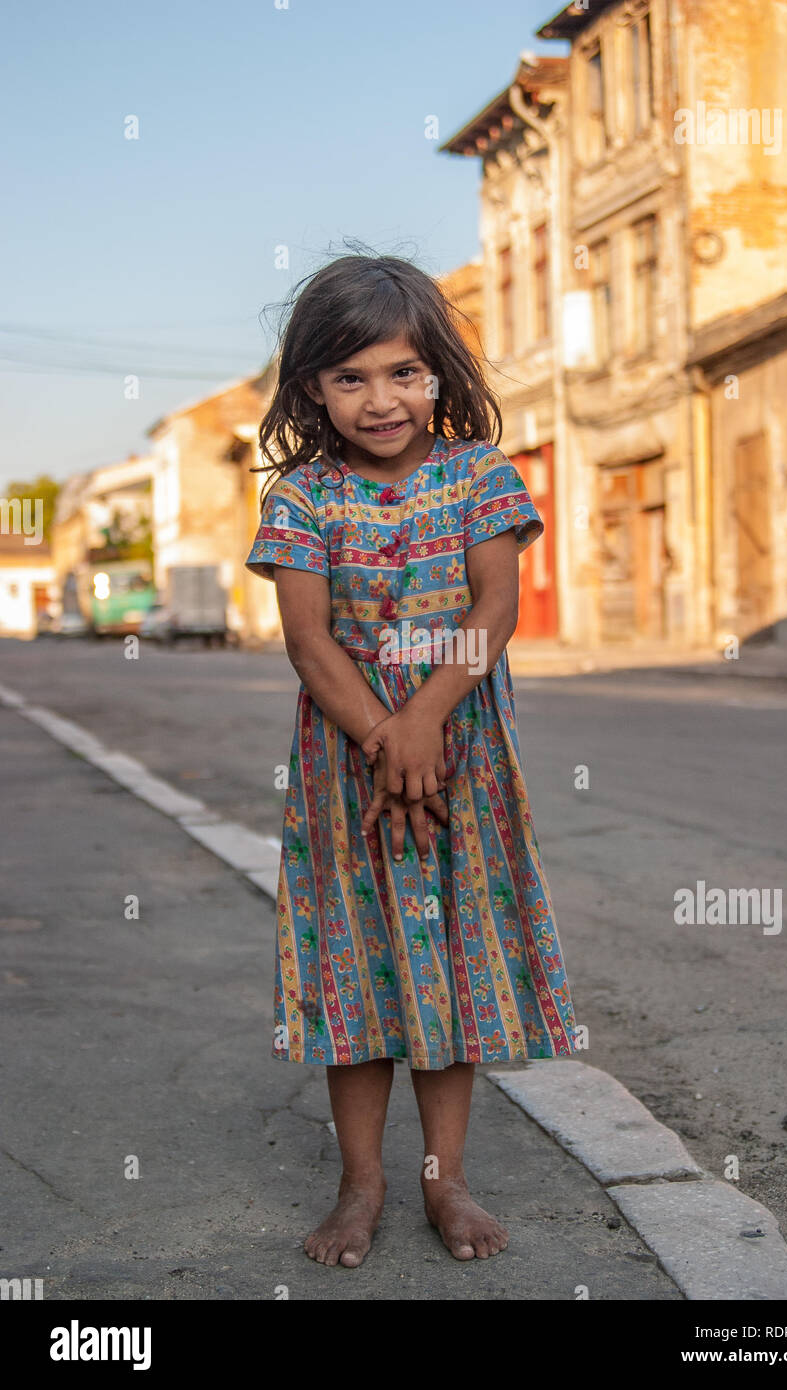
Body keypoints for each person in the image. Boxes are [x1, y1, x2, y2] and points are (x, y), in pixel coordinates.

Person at [244, 249, 580, 1270]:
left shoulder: (478, 474)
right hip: (348, 776)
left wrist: (429, 720)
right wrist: (389, 742)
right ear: (311, 388)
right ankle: (361, 1184)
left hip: (460, 761)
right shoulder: (300, 497)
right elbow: (310, 641)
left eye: (400, 372)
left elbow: (494, 607)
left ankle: (446, 1179)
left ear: (438, 371)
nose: (378, 399)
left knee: (448, 968)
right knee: (356, 979)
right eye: (348, 378)